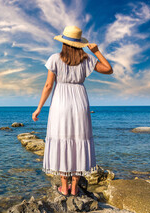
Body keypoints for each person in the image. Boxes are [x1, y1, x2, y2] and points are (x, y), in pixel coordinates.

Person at [32, 26, 113, 197]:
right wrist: (97, 51)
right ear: (79, 44)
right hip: (80, 102)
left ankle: (64, 187)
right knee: (78, 140)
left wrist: (39, 107)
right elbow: (108, 69)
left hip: (60, 102)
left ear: (64, 43)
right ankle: (75, 188)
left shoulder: (55, 58)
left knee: (62, 139)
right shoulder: (87, 59)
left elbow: (48, 86)